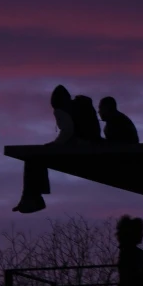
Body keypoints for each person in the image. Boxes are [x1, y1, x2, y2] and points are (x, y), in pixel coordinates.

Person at [13, 86, 102, 214]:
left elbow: (68, 130)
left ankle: (32, 199)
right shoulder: (81, 106)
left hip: (80, 144)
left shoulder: (61, 109)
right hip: (92, 142)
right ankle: (31, 198)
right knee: (36, 156)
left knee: (34, 157)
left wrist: (56, 144)